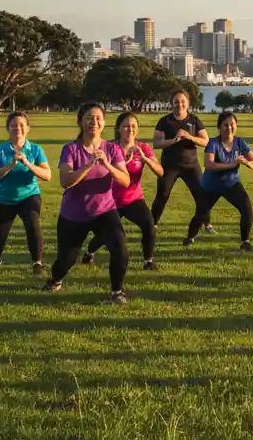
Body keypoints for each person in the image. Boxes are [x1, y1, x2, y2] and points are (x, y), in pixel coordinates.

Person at [43, 102, 132, 304]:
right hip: (74, 215)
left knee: (120, 248)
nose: (94, 122)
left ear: (104, 123)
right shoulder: (70, 149)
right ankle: (55, 280)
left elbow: (125, 180)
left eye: (98, 118)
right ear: (81, 122)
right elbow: (65, 181)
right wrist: (88, 164)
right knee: (66, 259)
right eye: (89, 118)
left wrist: (107, 164)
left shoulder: (112, 149)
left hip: (104, 211)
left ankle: (116, 292)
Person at [85, 112, 163, 270]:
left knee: (149, 225)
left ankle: (148, 261)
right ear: (118, 129)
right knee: (104, 235)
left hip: (133, 199)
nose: (130, 129)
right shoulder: (109, 147)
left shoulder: (143, 148)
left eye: (133, 126)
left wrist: (145, 158)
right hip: (110, 201)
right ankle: (90, 251)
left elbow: (161, 172)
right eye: (126, 126)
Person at [0, 111, 51, 272]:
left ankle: (37, 262)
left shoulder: (35, 149)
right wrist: (11, 165)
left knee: (33, 225)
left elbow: (47, 175)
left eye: (22, 125)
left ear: (28, 128)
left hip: (29, 196)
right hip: (3, 199)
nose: (18, 128)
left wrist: (28, 163)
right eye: (13, 125)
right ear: (8, 128)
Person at [184, 111, 253, 250]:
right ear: (219, 127)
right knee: (200, 215)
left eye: (232, 124)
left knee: (247, 209)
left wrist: (247, 163)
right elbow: (209, 164)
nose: (229, 128)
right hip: (210, 186)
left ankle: (245, 242)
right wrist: (231, 165)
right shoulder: (213, 143)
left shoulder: (240, 143)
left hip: (231, 183)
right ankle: (190, 237)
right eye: (225, 125)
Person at [151, 89, 211, 229]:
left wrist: (189, 137)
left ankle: (207, 224)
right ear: (171, 103)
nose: (180, 104)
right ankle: (152, 224)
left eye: (183, 101)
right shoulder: (164, 121)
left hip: (191, 165)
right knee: (162, 195)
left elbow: (205, 141)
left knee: (202, 195)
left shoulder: (194, 120)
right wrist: (172, 141)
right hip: (169, 165)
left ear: (188, 103)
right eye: (176, 102)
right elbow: (156, 143)